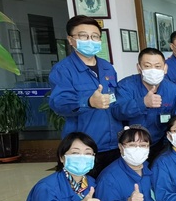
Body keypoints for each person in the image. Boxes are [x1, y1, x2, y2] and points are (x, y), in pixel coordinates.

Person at [49, 15, 123, 176]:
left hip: (113, 145)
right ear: (71, 40)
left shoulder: (107, 67)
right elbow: (59, 103)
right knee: (87, 188)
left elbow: (115, 99)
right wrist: (88, 102)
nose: (90, 40)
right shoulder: (63, 70)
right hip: (84, 148)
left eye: (95, 36)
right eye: (83, 36)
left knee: (112, 188)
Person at [112, 48, 176, 160]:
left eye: (158, 66)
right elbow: (117, 111)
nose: (153, 70)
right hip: (132, 145)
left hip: (159, 144)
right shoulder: (126, 86)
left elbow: (174, 119)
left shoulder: (172, 89)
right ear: (139, 68)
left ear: (165, 68)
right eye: (147, 66)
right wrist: (143, 103)